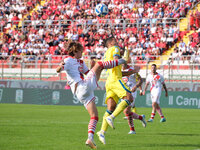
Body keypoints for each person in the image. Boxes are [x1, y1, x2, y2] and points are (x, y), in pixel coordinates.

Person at [56, 41, 126, 149]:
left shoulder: (80, 62)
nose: (82, 53)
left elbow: (88, 73)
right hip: (81, 87)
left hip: (83, 92)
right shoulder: (68, 60)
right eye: (80, 51)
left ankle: (90, 139)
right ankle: (119, 61)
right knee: (99, 65)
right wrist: (60, 67)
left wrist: (92, 67)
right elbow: (58, 69)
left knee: (94, 116)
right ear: (75, 51)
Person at [97, 37, 140, 144]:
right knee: (129, 98)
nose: (117, 43)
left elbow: (118, 69)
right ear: (111, 43)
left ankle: (102, 131)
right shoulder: (114, 48)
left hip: (109, 81)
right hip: (116, 79)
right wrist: (122, 58)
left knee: (110, 107)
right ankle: (111, 118)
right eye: (115, 41)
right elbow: (116, 60)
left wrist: (132, 71)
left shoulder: (106, 53)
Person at [121, 63, 147, 134]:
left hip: (131, 93)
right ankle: (141, 118)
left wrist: (136, 87)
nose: (122, 64)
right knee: (126, 112)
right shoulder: (119, 70)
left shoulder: (132, 70)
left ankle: (132, 130)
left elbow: (140, 80)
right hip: (123, 93)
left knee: (127, 110)